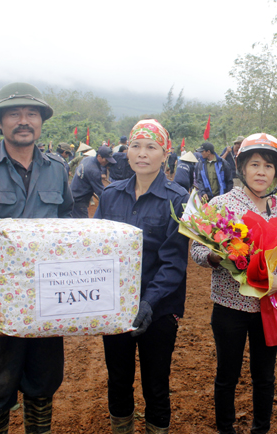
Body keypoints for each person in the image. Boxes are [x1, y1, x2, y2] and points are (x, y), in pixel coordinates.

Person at [0, 82, 73, 434]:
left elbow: (68, 228)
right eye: (14, 114)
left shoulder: (56, 168)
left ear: (40, 122)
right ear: (0, 122)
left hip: (46, 296)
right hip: (0, 299)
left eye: (31, 114)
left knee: (43, 380)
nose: (24, 121)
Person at [191, 133, 277, 434]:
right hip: (229, 306)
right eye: (254, 164)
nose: (261, 171)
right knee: (227, 373)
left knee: (265, 376)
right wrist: (217, 256)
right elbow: (197, 250)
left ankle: (260, 429)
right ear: (243, 168)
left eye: (268, 166)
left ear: (276, 172)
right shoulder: (222, 205)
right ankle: (225, 429)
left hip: (268, 306)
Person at [94, 119, 188, 434]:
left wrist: (149, 301)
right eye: (136, 146)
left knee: (155, 381)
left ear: (165, 154)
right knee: (118, 378)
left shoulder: (176, 199)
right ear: (127, 151)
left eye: (151, 147)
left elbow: (173, 260)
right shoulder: (110, 196)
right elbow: (97, 248)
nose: (142, 154)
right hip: (116, 307)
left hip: (158, 310)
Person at [70, 145, 116, 218]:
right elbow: (101, 193)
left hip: (73, 194)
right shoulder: (93, 171)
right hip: (79, 200)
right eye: (106, 160)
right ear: (99, 156)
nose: (107, 162)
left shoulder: (87, 159)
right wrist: (112, 205)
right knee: (83, 224)